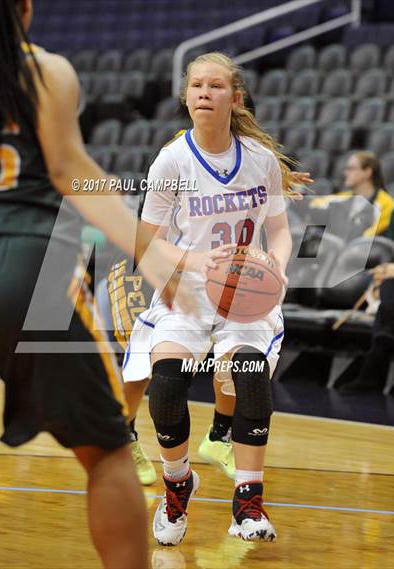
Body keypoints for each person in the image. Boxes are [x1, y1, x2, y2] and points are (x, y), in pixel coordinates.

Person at [0, 2, 191, 568]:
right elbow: (69, 171)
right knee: (107, 455)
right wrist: (147, 251)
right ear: (24, 11)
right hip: (31, 270)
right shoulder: (45, 71)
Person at [123, 51, 296, 545]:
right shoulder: (172, 160)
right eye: (196, 85)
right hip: (188, 292)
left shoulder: (261, 161)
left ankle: (248, 502)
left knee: (250, 376)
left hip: (246, 295)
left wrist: (276, 265)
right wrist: (203, 263)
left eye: (216, 86)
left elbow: (281, 232)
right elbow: (146, 240)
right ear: (186, 96)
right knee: (169, 386)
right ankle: (178, 485)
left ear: (234, 97)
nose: (204, 92)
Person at [339, 159, 394, 394]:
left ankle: (373, 369)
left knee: (392, 291)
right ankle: (376, 362)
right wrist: (385, 271)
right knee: (388, 283)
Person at [309, 151, 394, 241]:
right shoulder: (343, 197)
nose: (345, 173)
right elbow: (314, 204)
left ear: (367, 172)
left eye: (351, 169)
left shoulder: (387, 204)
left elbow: (366, 237)